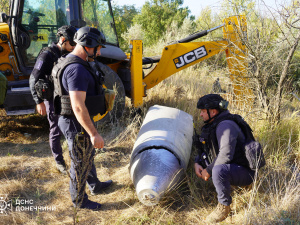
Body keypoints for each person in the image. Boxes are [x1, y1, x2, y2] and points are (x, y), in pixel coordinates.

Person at [52, 26, 112, 210]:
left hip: (76, 119)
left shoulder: (72, 61)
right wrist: (94, 134)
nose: (99, 51)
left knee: (87, 153)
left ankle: (94, 185)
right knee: (80, 161)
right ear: (87, 45)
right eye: (98, 47)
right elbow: (78, 106)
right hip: (75, 121)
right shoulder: (76, 69)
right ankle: (79, 201)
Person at [194, 94, 255, 223]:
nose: (200, 115)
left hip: (245, 171)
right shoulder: (213, 124)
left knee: (218, 171)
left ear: (214, 111)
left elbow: (225, 155)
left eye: (203, 111)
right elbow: (206, 149)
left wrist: (208, 170)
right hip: (233, 167)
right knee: (217, 168)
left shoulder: (226, 125)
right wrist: (197, 162)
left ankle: (224, 207)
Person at [29, 25, 77, 174]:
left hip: (65, 96)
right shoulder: (47, 55)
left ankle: (77, 155)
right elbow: (33, 78)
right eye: (72, 44)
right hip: (51, 98)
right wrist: (39, 101)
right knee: (55, 129)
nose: (74, 47)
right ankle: (59, 162)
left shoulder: (67, 53)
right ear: (63, 40)